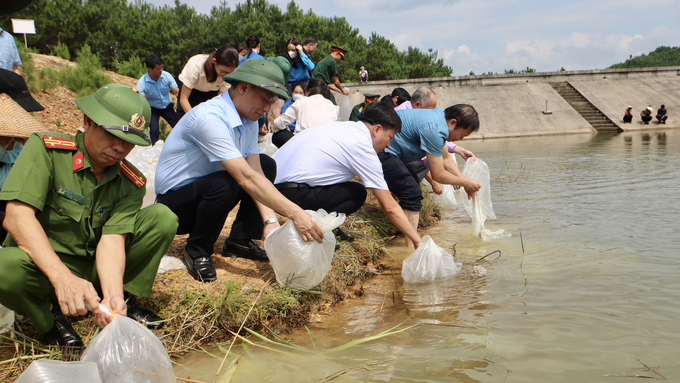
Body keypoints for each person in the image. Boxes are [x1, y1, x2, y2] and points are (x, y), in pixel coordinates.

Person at [0, 84, 178, 347]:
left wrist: (113, 294)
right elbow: (17, 217)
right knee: (4, 266)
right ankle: (50, 319)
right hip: (41, 268)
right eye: (112, 135)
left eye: (129, 142)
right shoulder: (47, 151)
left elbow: (113, 239)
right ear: (88, 121)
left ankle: (123, 299)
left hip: (93, 271)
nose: (119, 148)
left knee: (162, 217)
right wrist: (62, 278)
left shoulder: (131, 182)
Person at [155, 59, 323, 283]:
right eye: (265, 100)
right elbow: (245, 178)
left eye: (271, 102)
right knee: (230, 180)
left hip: (208, 192)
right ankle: (197, 251)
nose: (266, 109)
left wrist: (270, 222)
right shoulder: (209, 117)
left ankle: (239, 240)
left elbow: (256, 171)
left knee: (266, 164)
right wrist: (296, 214)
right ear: (243, 87)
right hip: (174, 208)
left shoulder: (249, 119)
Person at [274, 102, 421, 248]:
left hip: (270, 186)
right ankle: (320, 228)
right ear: (377, 129)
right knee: (357, 193)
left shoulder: (342, 127)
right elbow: (389, 207)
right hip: (289, 194)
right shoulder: (362, 147)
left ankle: (328, 225)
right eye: (390, 137)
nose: (389, 144)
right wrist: (417, 241)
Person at [380, 105, 481, 248]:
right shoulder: (435, 130)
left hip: (391, 151)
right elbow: (438, 174)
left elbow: (446, 159)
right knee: (411, 192)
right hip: (381, 149)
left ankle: (407, 237)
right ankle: (411, 248)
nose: (461, 139)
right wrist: (466, 182)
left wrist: (465, 183)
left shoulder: (438, 118)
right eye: (462, 135)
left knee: (411, 183)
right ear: (452, 122)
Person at [177, 46, 239, 121]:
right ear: (214, 61)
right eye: (223, 71)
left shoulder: (230, 73)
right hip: (191, 95)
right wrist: (195, 120)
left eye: (229, 73)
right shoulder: (196, 65)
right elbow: (183, 99)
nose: (225, 76)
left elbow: (218, 100)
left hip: (211, 97)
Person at [272, 84, 339, 147]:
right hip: (327, 144)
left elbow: (279, 123)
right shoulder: (335, 108)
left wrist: (276, 119)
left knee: (277, 135)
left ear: (307, 92)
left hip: (303, 144)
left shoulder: (301, 101)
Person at [137, 55, 179, 145]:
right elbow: (139, 99)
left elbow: (176, 91)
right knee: (154, 130)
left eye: (162, 68)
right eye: (158, 69)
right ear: (150, 68)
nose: (161, 70)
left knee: (178, 126)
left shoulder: (167, 76)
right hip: (153, 109)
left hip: (167, 107)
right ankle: (151, 149)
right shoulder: (142, 82)